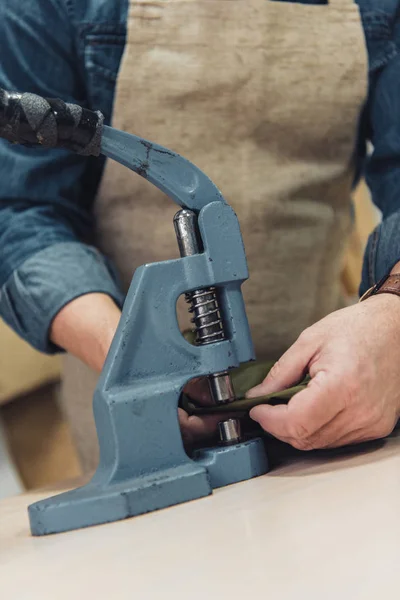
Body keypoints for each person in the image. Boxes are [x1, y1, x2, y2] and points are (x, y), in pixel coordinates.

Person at [1, 0, 400, 472]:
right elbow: (24, 210)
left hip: (346, 404)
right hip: (130, 412)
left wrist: (393, 314)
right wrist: (130, 358)